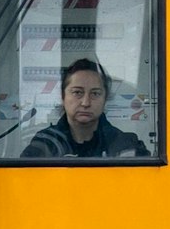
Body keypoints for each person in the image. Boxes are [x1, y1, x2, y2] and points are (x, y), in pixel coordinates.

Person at [21, 58, 150, 158]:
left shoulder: (125, 145)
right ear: (63, 96)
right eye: (77, 92)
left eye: (95, 93)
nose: (85, 102)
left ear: (105, 99)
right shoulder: (45, 145)